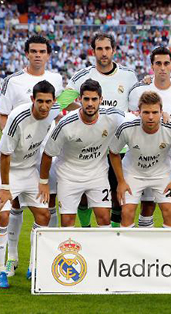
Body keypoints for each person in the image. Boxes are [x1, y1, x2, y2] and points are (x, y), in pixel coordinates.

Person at [0, 35, 63, 278]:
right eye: (33, 51)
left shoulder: (56, 79)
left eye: (42, 51)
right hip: (17, 154)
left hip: (44, 155)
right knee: (13, 206)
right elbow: (3, 115)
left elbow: (59, 113)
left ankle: (40, 262)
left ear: (48, 54)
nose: (37, 54)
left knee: (46, 206)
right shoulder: (12, 81)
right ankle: (12, 258)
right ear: (26, 54)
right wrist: (16, 141)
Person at [58, 33, 139, 228]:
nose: (104, 53)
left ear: (114, 50)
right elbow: (61, 102)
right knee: (85, 196)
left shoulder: (128, 75)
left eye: (107, 48)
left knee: (117, 192)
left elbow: (138, 106)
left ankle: (113, 234)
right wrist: (82, 111)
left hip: (119, 147)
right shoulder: (82, 75)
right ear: (93, 51)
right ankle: (86, 229)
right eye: (99, 49)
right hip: (91, 147)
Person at [0, 80, 60, 288]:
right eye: (40, 101)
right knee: (3, 214)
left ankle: (34, 266)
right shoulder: (17, 117)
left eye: (48, 102)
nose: (44, 106)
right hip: (6, 170)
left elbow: (46, 153)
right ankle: (0, 272)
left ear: (53, 101)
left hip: (28, 170)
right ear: (33, 100)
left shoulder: (50, 121)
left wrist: (44, 182)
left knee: (44, 215)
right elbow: (5, 154)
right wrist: (5, 187)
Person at [38, 79, 125, 228]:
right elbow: (48, 154)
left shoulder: (113, 116)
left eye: (94, 99)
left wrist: (163, 116)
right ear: (79, 100)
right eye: (86, 99)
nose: (90, 103)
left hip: (97, 174)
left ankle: (104, 251)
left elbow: (138, 120)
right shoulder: (66, 124)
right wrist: (44, 182)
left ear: (101, 100)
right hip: (69, 176)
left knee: (104, 218)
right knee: (67, 223)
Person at [128, 47, 171, 228]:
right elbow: (132, 117)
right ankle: (145, 250)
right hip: (150, 156)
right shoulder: (139, 91)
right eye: (158, 63)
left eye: (166, 63)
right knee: (148, 206)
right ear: (152, 66)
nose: (162, 68)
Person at [109, 91, 171, 228]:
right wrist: (121, 181)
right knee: (127, 212)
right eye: (146, 112)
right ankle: (128, 248)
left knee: (170, 211)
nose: (151, 117)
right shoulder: (127, 128)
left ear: (161, 112)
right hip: (133, 173)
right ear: (139, 112)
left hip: (162, 173)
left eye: (155, 112)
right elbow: (113, 152)